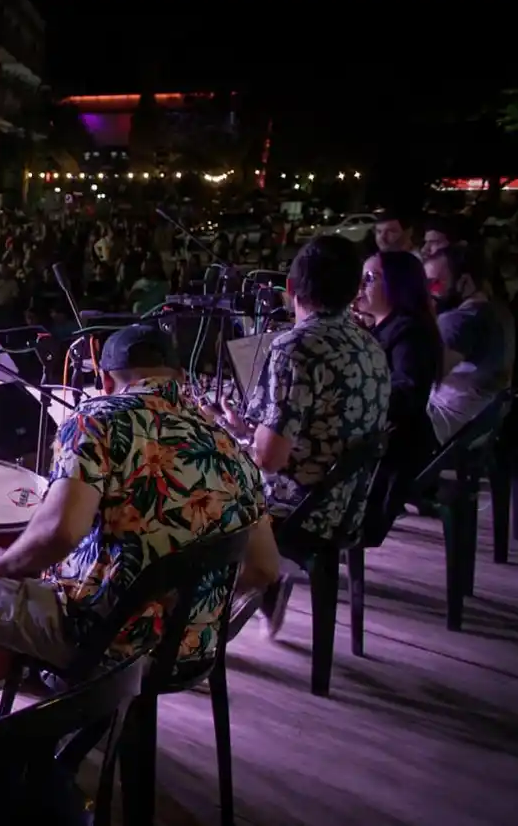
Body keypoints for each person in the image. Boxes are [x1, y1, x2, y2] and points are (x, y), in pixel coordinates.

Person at [0, 325, 275, 743]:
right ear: (178, 376)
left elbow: (60, 533)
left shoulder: (97, 420)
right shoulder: (228, 445)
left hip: (108, 643)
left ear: (107, 380)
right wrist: (181, 595)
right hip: (190, 649)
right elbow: (265, 567)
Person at [208, 236, 391, 635]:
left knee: (192, 485)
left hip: (301, 512)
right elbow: (317, 430)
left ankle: (192, 620)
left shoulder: (294, 348)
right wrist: (246, 430)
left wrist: (228, 435)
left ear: (290, 288)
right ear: (353, 292)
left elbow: (269, 460)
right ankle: (260, 584)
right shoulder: (370, 345)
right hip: (347, 506)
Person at [355, 251, 444, 543]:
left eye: (370, 278)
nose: (360, 286)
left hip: (398, 449)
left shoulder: (409, 330)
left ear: (398, 284)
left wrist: (353, 399)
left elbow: (407, 393)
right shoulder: (385, 327)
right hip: (386, 439)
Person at [424, 245, 515, 445]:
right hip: (486, 426)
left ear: (465, 282)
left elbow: (425, 377)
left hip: (447, 425)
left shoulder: (457, 321)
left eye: (434, 284)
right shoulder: (501, 312)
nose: (429, 292)